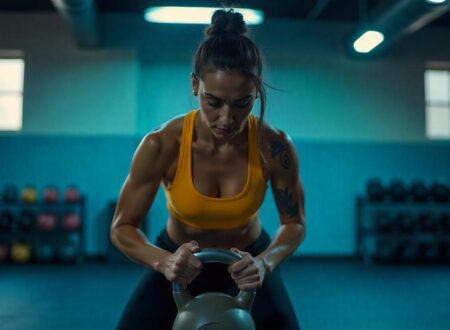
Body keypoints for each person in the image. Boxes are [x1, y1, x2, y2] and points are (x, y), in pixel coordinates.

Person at [111, 8, 306, 330]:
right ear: (194, 85)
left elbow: (294, 223)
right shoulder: (161, 144)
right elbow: (122, 227)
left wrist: (265, 263)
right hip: (178, 260)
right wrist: (164, 261)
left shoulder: (275, 146)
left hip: (248, 262)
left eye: (242, 103)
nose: (227, 118)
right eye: (213, 102)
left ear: (256, 92)